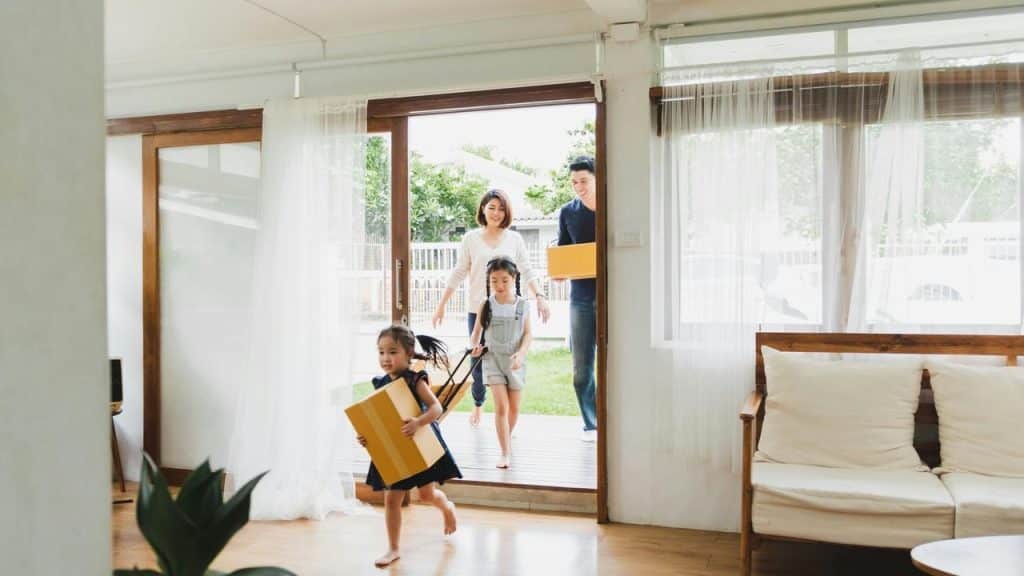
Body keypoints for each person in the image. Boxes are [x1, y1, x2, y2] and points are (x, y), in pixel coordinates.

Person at [432, 189, 550, 427]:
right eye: (492, 207)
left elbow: (526, 269)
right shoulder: (471, 239)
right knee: (476, 360)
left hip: (508, 312)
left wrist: (540, 296)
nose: (496, 213)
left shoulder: (514, 239)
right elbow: (459, 272)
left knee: (508, 362)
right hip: (479, 310)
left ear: (507, 212)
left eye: (501, 208)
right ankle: (478, 404)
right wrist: (441, 304)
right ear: (483, 209)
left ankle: (506, 418)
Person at [358, 325, 461, 567]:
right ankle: (393, 548)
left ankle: (446, 507)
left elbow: (436, 408)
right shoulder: (380, 383)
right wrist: (367, 438)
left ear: (408, 353)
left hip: (419, 443)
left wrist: (418, 422)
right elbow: (379, 419)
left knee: (426, 495)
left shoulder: (415, 380)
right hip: (395, 448)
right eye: (381, 352)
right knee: (392, 498)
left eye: (392, 352)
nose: (386, 358)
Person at [469, 257, 532, 469]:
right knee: (501, 408)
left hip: (515, 362)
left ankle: (506, 437)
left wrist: (521, 354)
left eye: (504, 280)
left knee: (514, 409)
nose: (499, 285)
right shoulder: (486, 304)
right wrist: (475, 347)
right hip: (492, 359)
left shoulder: (523, 306)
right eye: (494, 281)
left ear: (514, 278)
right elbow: (476, 333)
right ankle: (504, 452)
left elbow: (529, 334)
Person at [558, 156, 598, 442]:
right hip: (580, 298)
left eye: (583, 181)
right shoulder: (568, 212)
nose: (579, 187)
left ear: (596, 178)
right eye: (574, 183)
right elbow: (563, 252)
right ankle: (592, 424)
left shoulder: (613, 204)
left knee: (617, 365)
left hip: (614, 296)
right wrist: (559, 272)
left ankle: (614, 421)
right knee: (581, 369)